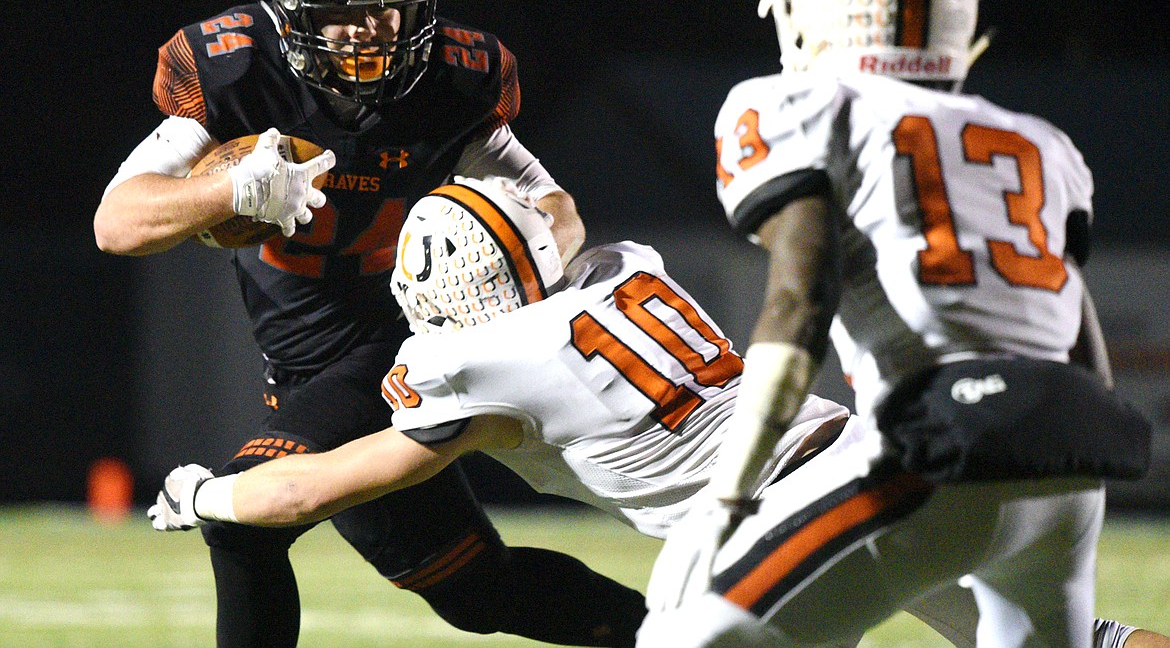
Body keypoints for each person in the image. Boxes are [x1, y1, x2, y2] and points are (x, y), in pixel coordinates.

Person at [147, 177, 1164, 648]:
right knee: (1091, 641)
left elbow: (318, 482)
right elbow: (556, 213)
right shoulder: (619, 270)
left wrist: (210, 488)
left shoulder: (483, 358)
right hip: (873, 450)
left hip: (800, 512)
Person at [94, 0, 646, 648]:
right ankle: (689, 635)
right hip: (305, 365)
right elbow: (116, 222)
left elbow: (556, 208)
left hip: (403, 342)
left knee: (241, 522)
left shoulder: (451, 78)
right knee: (476, 589)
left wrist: (512, 269)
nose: (373, 34)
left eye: (390, 11)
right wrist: (233, 187)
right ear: (294, 13)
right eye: (346, 15)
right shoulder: (237, 69)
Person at [639, 0, 1153, 647]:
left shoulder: (804, 104)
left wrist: (727, 494)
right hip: (1070, 461)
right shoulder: (1042, 143)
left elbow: (799, 302)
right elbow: (1079, 336)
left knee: (685, 636)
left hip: (940, 445)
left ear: (824, 9)